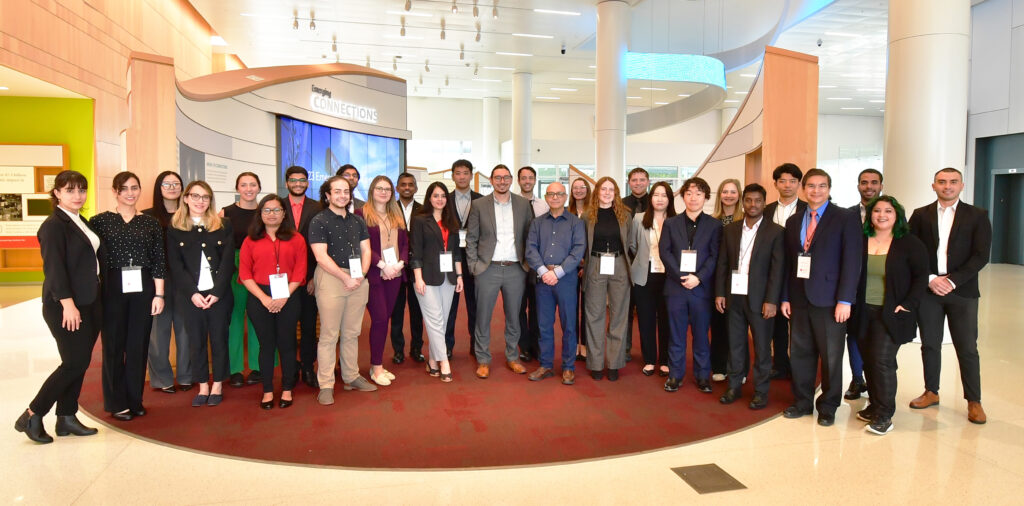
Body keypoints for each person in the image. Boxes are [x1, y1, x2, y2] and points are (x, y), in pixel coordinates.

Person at [16, 170, 102, 443]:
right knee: (73, 362)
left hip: (88, 302)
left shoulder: (79, 221)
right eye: (70, 190)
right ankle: (32, 413)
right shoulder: (53, 225)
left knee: (79, 362)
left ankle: (66, 418)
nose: (78, 195)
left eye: (81, 190)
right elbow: (54, 269)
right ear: (57, 193)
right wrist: (68, 304)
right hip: (65, 305)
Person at [908, 167, 992, 424]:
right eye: (942, 182)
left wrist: (952, 281)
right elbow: (911, 251)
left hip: (962, 291)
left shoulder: (977, 216)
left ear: (962, 186)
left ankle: (974, 401)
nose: (947, 186)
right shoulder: (920, 215)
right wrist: (932, 279)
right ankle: (931, 391)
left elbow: (981, 255)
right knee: (930, 344)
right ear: (933, 185)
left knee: (967, 347)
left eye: (953, 182)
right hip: (930, 289)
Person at [779, 168, 863, 426]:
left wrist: (845, 300)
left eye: (822, 186)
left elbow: (853, 261)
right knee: (800, 353)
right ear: (804, 189)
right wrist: (785, 297)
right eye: (811, 186)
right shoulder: (794, 220)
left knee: (830, 356)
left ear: (829, 188)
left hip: (831, 301)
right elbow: (788, 263)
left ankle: (828, 406)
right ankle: (802, 402)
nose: (816, 191)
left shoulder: (845, 218)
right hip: (799, 298)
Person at [849, 196, 928, 435]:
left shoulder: (910, 243)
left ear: (897, 216)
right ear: (869, 215)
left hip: (891, 313)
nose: (882, 215)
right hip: (862, 312)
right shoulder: (860, 241)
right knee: (869, 361)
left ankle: (885, 415)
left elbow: (920, 278)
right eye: (877, 211)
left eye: (888, 211)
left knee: (882, 361)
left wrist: (908, 304)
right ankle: (874, 405)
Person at [92, 171, 166, 421]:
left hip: (143, 286)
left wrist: (159, 294)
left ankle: (134, 399)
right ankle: (116, 403)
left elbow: (159, 260)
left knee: (138, 344)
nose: (130, 193)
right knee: (113, 346)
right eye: (124, 188)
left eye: (135, 187)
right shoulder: (99, 221)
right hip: (112, 286)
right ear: (115, 192)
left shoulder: (150, 222)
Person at [714, 184, 785, 409]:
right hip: (734, 296)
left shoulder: (776, 232)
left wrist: (772, 300)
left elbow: (777, 269)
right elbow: (723, 263)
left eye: (757, 201)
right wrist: (719, 293)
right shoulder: (731, 230)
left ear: (764, 203)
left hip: (761, 299)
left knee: (763, 348)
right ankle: (734, 386)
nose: (752, 205)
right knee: (735, 344)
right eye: (748, 200)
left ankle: (761, 392)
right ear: (742, 203)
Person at [166, 181, 236, 407]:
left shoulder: (223, 225)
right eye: (195, 196)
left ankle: (217, 385)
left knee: (219, 339)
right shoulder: (175, 227)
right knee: (195, 341)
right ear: (185, 198)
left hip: (219, 295)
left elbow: (227, 263)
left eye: (205, 197)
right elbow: (176, 266)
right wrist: (193, 294)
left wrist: (216, 293)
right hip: (190, 296)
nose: (200, 201)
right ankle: (203, 385)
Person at [309, 176, 376, 405]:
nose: (342, 196)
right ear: (327, 195)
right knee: (329, 335)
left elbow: (366, 250)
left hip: (357, 280)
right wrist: (344, 277)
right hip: (331, 278)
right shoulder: (319, 220)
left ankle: (350, 376)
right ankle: (326, 384)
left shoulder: (357, 221)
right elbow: (320, 256)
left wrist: (361, 275)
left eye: (346, 191)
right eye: (336, 191)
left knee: (352, 333)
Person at [465, 164, 534, 379]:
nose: (502, 181)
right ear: (492, 180)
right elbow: (471, 238)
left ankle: (512, 357)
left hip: (515, 269)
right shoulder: (478, 205)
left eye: (505, 177)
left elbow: (529, 236)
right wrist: (474, 266)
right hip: (487, 269)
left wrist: (528, 265)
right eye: (497, 178)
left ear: (511, 179)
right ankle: (483, 359)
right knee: (482, 317)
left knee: (514, 317)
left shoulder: (523, 204)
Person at [239, 195, 307, 410]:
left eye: (276, 210)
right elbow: (244, 274)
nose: (271, 214)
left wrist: (283, 296)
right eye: (266, 210)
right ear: (260, 214)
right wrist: (265, 298)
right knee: (266, 346)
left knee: (287, 344)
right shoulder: (250, 240)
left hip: (289, 294)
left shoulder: (296, 239)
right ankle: (267, 390)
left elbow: (300, 271)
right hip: (260, 296)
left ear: (284, 213)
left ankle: (287, 388)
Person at [660, 177, 721, 393]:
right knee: (676, 335)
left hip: (701, 289)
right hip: (676, 288)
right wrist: (680, 276)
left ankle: (703, 376)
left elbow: (715, 256)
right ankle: (675, 376)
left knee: (702, 335)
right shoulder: (670, 223)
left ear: (706, 197)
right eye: (689, 193)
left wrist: (699, 277)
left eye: (698, 193)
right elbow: (664, 252)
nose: (693, 198)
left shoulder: (715, 225)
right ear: (683, 196)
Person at [525, 182, 587, 384]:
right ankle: (546, 365)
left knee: (569, 324)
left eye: (559, 194)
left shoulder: (575, 223)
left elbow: (578, 251)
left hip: (566, 279)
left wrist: (557, 273)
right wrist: (544, 272)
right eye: (551, 194)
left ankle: (568, 367)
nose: (555, 197)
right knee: (544, 325)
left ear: (565, 196)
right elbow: (530, 249)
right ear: (546, 196)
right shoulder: (537, 222)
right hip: (543, 280)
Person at [410, 182, 465, 382]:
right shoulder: (419, 220)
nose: (440, 199)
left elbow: (457, 253)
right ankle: (444, 362)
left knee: (441, 321)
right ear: (429, 198)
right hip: (427, 277)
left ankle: (432, 360)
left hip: (449, 277)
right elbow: (415, 251)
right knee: (434, 319)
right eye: (436, 195)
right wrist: (418, 278)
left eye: (443, 196)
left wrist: (459, 276)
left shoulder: (452, 221)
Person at [144, 171, 192, 394]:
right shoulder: (146, 217)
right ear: (158, 187)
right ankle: (161, 379)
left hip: (185, 280)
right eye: (167, 183)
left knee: (186, 330)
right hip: (157, 281)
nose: (172, 187)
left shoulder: (190, 215)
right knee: (158, 332)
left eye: (176, 183)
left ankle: (186, 376)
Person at [582, 177, 634, 381]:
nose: (606, 192)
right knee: (594, 315)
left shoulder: (625, 216)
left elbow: (629, 242)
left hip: (619, 263)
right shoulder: (587, 215)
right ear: (597, 192)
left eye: (611, 189)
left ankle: (614, 363)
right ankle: (595, 363)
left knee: (619, 315)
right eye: (603, 189)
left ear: (616, 192)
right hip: (595, 264)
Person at [358, 175, 407, 386]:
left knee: (385, 319)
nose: (384, 192)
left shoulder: (396, 213)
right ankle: (376, 367)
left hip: (394, 275)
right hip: (375, 274)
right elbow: (363, 246)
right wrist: (382, 265)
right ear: (372, 190)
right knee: (378, 319)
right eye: (379, 188)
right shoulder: (361, 214)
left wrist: (400, 264)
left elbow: (405, 243)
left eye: (387, 189)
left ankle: (376, 364)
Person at [763, 163, 807, 381]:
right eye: (782, 181)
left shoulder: (808, 209)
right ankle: (779, 363)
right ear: (775, 184)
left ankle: (799, 366)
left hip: (799, 274)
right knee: (777, 324)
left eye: (792, 181)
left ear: (799, 184)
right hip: (772, 273)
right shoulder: (766, 210)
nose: (787, 185)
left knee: (798, 323)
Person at [843, 168, 883, 400]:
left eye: (874, 182)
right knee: (854, 334)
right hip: (854, 285)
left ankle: (879, 381)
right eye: (864, 182)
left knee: (879, 336)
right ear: (858, 186)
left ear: (881, 186)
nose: (869, 187)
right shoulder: (847, 215)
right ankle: (858, 379)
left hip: (881, 286)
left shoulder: (892, 213)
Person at [282, 165, 323, 388]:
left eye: (302, 180)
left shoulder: (317, 207)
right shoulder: (276, 207)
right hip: (283, 279)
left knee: (308, 326)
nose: (298, 184)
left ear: (308, 183)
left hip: (309, 279)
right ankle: (291, 368)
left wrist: (314, 277)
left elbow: (321, 246)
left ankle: (308, 366)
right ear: (287, 182)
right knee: (286, 327)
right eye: (293, 180)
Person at [629, 182, 675, 377]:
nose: (659, 198)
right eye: (656, 194)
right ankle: (649, 359)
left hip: (669, 275)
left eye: (664, 195)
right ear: (651, 198)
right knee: (646, 318)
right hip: (644, 274)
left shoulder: (676, 220)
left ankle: (665, 360)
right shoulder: (639, 218)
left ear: (669, 199)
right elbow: (632, 244)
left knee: (666, 319)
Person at [221, 172, 262, 388]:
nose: (248, 188)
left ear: (258, 187)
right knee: (234, 319)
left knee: (259, 318)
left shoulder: (264, 212)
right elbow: (218, 244)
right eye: (244, 185)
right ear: (237, 188)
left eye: (252, 184)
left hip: (260, 268)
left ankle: (259, 366)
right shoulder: (225, 213)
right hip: (234, 268)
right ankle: (235, 369)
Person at [446, 159, 483, 358]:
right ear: (453, 176)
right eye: (458, 173)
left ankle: (476, 345)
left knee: (475, 305)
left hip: (474, 260)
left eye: (465, 173)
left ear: (471, 175)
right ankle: (447, 346)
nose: (462, 176)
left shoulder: (481, 199)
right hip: (450, 260)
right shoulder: (444, 200)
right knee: (449, 306)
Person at [710, 178, 744, 382]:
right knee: (719, 325)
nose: (729, 195)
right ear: (719, 195)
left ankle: (738, 368)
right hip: (717, 279)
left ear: (739, 195)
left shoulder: (746, 220)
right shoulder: (712, 221)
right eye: (725, 191)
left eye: (733, 192)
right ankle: (719, 366)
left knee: (738, 326)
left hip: (740, 278)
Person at [391, 172, 425, 364]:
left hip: (417, 268)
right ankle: (398, 350)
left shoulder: (423, 210)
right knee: (396, 312)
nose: (407, 188)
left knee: (417, 311)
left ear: (415, 188)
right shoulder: (389, 209)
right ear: (397, 188)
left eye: (410, 185)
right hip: (395, 267)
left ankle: (416, 348)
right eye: (403, 185)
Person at [517, 166, 546, 362]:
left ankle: (536, 345)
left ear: (535, 180)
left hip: (538, 264)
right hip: (518, 263)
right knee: (518, 307)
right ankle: (523, 346)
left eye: (530, 178)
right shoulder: (512, 203)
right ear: (518, 181)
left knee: (537, 307)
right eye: (523, 178)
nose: (527, 181)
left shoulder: (544, 205)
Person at [622, 167, 650, 361]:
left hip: (650, 265)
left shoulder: (657, 201)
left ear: (648, 181)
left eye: (642, 180)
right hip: (625, 263)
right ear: (629, 182)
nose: (638, 183)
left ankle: (649, 352)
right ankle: (624, 349)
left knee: (647, 310)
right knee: (625, 309)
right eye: (634, 180)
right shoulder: (621, 204)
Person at [569, 178, 591, 362]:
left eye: (582, 187)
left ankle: (585, 343)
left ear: (588, 189)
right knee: (572, 307)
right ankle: (574, 343)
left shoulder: (593, 212)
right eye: (575, 188)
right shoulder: (567, 211)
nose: (578, 190)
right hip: (569, 267)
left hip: (588, 266)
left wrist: (585, 264)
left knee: (587, 306)